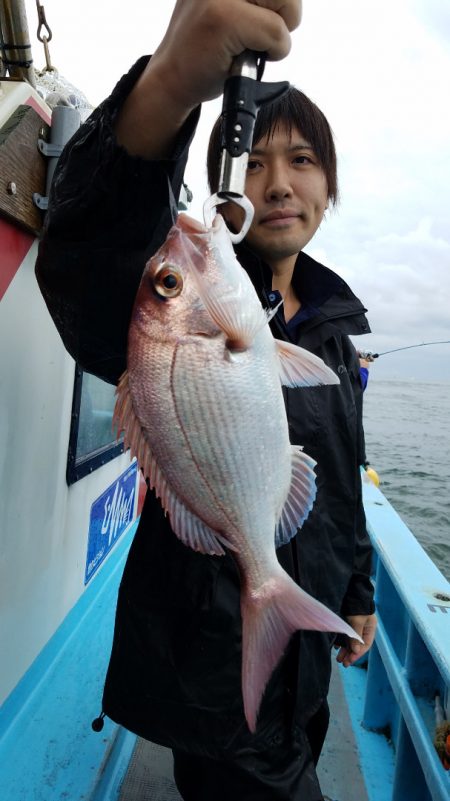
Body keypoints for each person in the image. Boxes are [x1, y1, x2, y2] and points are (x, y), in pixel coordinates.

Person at [35, 2, 377, 799]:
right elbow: (89, 264)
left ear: (330, 185)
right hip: (208, 666)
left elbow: (343, 482)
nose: (279, 182)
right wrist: (167, 89)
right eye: (253, 162)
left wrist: (357, 594)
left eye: (301, 161)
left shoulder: (333, 332)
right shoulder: (179, 296)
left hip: (306, 662)